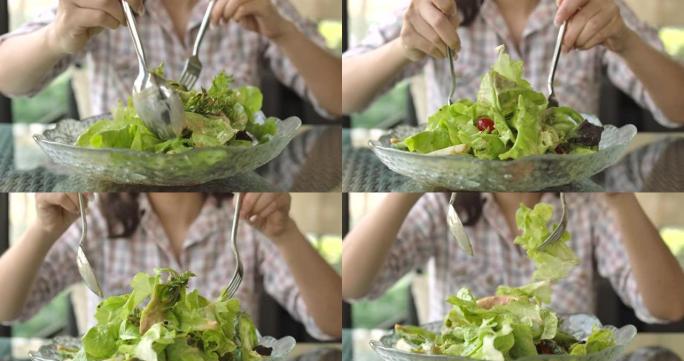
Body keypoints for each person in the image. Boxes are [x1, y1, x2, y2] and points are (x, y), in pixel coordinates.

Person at [0, 192, 342, 340]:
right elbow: (8, 309)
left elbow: (333, 323)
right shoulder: (97, 219)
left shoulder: (245, 220)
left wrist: (286, 233)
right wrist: (44, 231)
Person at [342, 193, 684, 324]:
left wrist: (620, 197)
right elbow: (352, 285)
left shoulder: (586, 206)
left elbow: (668, 306)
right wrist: (409, 184)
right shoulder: (442, 206)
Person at [342, 0, 684, 126]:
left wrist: (625, 41)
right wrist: (405, 47)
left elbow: (678, 110)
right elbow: (342, 93)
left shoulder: (595, 7)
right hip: (461, 195)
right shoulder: (437, 8)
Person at [0, 0, 341, 117]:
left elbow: (339, 99)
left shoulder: (256, 4)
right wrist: (55, 36)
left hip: (228, 181)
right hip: (124, 185)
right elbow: (8, 78)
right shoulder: (105, 4)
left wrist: (283, 31)